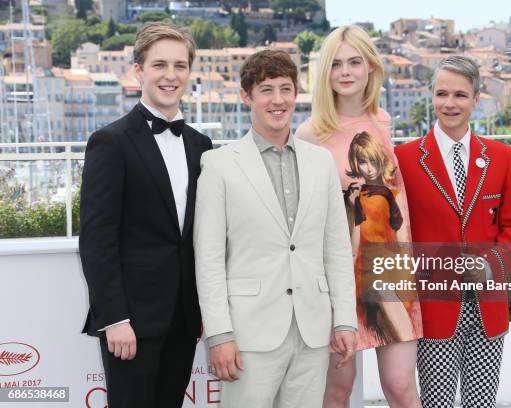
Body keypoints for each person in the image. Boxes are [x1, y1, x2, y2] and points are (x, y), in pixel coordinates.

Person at [193, 49, 358, 408]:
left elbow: (336, 250)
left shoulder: (321, 162)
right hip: (249, 333)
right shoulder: (218, 165)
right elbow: (208, 260)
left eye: (286, 88)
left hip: (313, 329)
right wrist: (220, 334)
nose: (278, 100)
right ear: (246, 96)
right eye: (266, 90)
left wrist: (345, 320)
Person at [79, 22, 213, 408]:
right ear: (138, 71)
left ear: (189, 72)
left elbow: (198, 234)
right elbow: (97, 238)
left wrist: (203, 310)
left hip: (184, 319)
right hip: (131, 322)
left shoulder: (201, 145)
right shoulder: (110, 142)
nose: (170, 76)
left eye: (179, 65)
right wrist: (114, 318)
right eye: (159, 65)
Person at [296, 25, 423, 408]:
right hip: (337, 275)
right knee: (337, 389)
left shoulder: (382, 122)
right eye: (335, 64)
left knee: (400, 385)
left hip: (391, 268)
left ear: (370, 68)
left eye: (354, 62)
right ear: (325, 73)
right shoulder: (309, 134)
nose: (345, 72)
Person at [394, 55, 511, 407]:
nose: (449, 104)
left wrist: (488, 265)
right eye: (441, 94)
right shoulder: (405, 159)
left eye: (459, 95)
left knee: (481, 403)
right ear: (432, 97)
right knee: (436, 402)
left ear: (476, 99)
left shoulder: (500, 157)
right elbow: (396, 233)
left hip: (488, 307)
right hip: (433, 305)